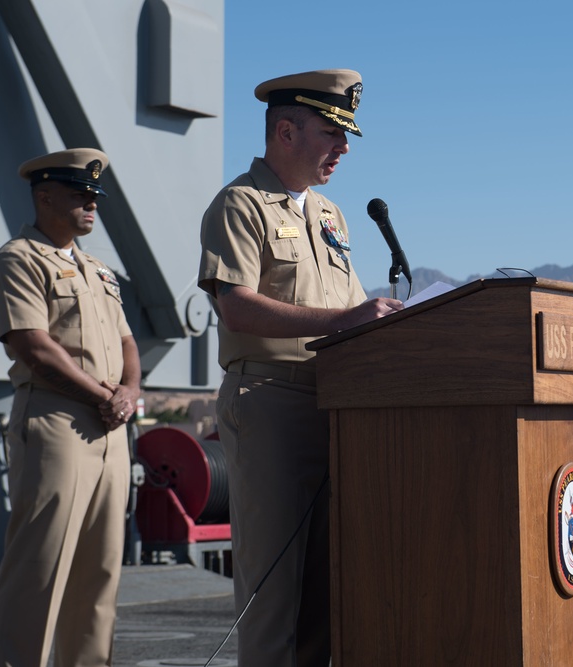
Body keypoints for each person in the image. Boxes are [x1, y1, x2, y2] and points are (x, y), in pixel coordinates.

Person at [197, 69, 403, 666]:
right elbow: (235, 305)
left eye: (346, 137)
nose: (343, 148)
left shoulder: (332, 215)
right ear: (286, 130)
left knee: (324, 590)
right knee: (274, 591)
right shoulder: (240, 205)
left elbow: (352, 307)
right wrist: (342, 322)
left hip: (336, 406)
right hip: (271, 403)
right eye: (331, 133)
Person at [0, 148, 140, 666]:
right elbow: (34, 347)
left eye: (95, 196)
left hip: (110, 427)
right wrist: (106, 397)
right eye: (80, 195)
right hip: (56, 422)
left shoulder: (98, 270)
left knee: (100, 571)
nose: (91, 204)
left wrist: (129, 391)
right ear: (44, 196)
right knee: (41, 567)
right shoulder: (17, 259)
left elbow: (126, 343)